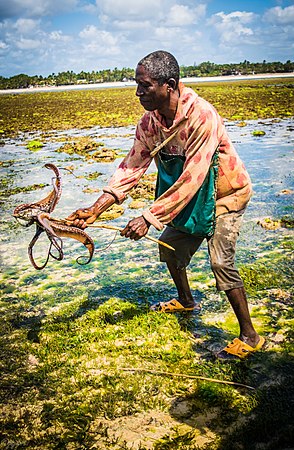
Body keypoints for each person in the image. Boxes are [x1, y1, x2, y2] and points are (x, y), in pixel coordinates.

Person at [67, 50, 265, 360]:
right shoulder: (150, 123)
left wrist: (148, 216)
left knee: (221, 263)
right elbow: (133, 165)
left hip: (226, 194)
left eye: (144, 85)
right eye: (137, 84)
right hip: (189, 197)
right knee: (168, 247)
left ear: (168, 85)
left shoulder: (202, 116)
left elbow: (194, 175)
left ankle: (250, 336)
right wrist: (96, 208)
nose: (138, 92)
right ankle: (186, 300)